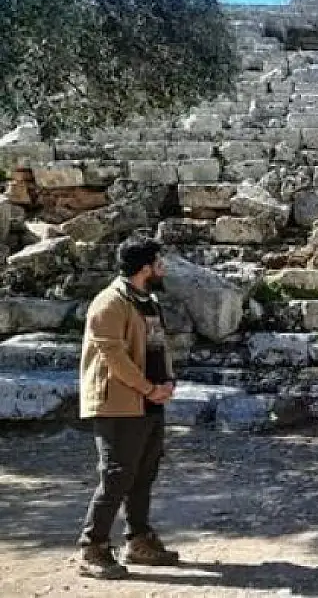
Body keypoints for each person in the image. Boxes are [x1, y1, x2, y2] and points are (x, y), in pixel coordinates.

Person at [76, 235, 180, 579]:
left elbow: (157, 347)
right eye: (159, 262)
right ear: (145, 268)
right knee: (117, 475)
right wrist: (149, 388)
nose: (163, 268)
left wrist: (167, 383)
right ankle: (92, 548)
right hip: (119, 404)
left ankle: (138, 540)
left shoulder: (146, 301)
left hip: (149, 401)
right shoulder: (109, 303)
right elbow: (114, 358)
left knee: (144, 473)